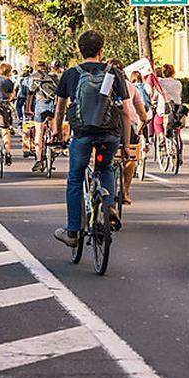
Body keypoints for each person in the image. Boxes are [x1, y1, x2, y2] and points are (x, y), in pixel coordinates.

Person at [52, 31, 130, 247]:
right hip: (109, 133)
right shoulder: (113, 72)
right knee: (105, 168)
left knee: (76, 177)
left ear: (80, 50)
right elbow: (125, 111)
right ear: (101, 51)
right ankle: (109, 205)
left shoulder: (70, 74)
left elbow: (59, 109)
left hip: (83, 134)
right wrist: (125, 142)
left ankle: (73, 231)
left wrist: (57, 131)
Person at [115, 62, 150, 205]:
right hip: (129, 125)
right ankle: (125, 192)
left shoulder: (102, 84)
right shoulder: (130, 86)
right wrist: (144, 120)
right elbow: (140, 109)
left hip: (106, 125)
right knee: (130, 158)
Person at [26, 61, 60, 172]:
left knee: (39, 132)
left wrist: (28, 109)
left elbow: (30, 94)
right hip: (53, 105)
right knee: (52, 124)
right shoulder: (54, 77)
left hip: (40, 105)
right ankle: (53, 144)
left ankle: (39, 159)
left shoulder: (34, 78)